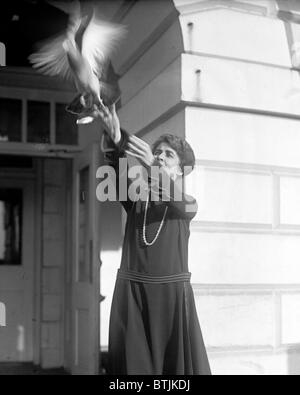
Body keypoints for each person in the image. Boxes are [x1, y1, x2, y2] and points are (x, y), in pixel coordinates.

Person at [97, 103, 211, 375]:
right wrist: (115, 138)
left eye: (168, 155)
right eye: (157, 152)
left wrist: (149, 163)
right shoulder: (137, 199)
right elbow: (118, 169)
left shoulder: (187, 204)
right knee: (133, 371)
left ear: (181, 170)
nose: (160, 156)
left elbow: (179, 202)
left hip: (170, 299)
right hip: (132, 296)